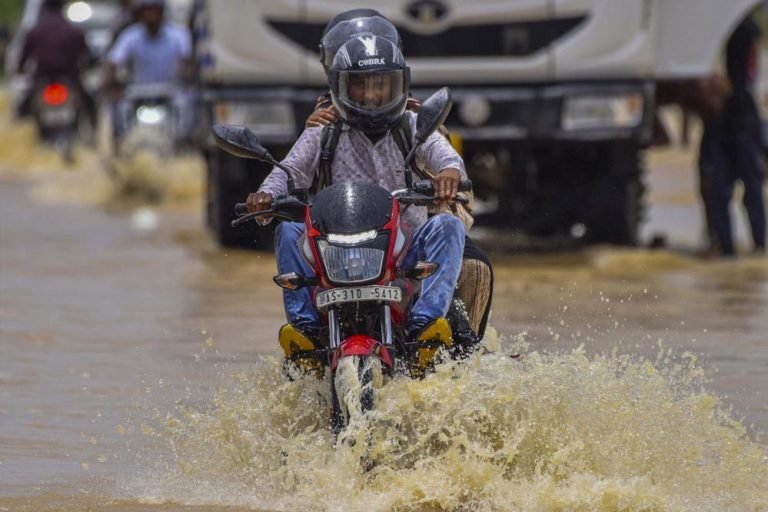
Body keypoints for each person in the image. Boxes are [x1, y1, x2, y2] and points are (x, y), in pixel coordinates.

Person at [246, 36, 469, 359]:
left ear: (399, 86)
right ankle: (304, 331)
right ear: (340, 87)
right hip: (334, 252)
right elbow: (288, 172)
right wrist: (265, 195)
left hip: (403, 255)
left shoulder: (412, 124)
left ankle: (425, 327)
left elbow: (445, 156)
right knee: (289, 230)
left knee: (448, 227)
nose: (371, 95)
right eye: (359, 86)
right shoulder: (323, 130)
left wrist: (450, 173)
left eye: (381, 86)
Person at [305, 10, 494, 339]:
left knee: (474, 266)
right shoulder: (320, 123)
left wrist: (442, 197)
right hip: (341, 239)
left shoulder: (415, 118)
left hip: (413, 234)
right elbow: (294, 181)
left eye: (378, 80)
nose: (369, 91)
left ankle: (465, 357)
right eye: (357, 79)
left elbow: (455, 186)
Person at [699, 15, 766, 256]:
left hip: (741, 117)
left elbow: (751, 76)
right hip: (722, 119)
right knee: (717, 190)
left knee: (750, 189)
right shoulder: (706, 31)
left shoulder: (745, 28)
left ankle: (756, 249)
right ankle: (726, 250)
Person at [104, 0, 194, 142]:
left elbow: (187, 61)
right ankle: (121, 144)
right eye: (147, 10)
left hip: (171, 90)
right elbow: (114, 62)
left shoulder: (178, 35)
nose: (151, 15)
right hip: (137, 91)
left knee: (187, 104)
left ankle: (185, 143)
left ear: (162, 12)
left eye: (154, 10)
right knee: (119, 108)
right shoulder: (130, 36)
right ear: (140, 13)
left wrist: (189, 77)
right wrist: (112, 85)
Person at [16, 0, 96, 127]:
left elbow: (22, 59)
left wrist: (20, 69)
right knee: (90, 103)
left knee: (23, 109)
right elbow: (88, 55)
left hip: (42, 78)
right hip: (70, 78)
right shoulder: (74, 31)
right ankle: (93, 132)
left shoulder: (35, 32)